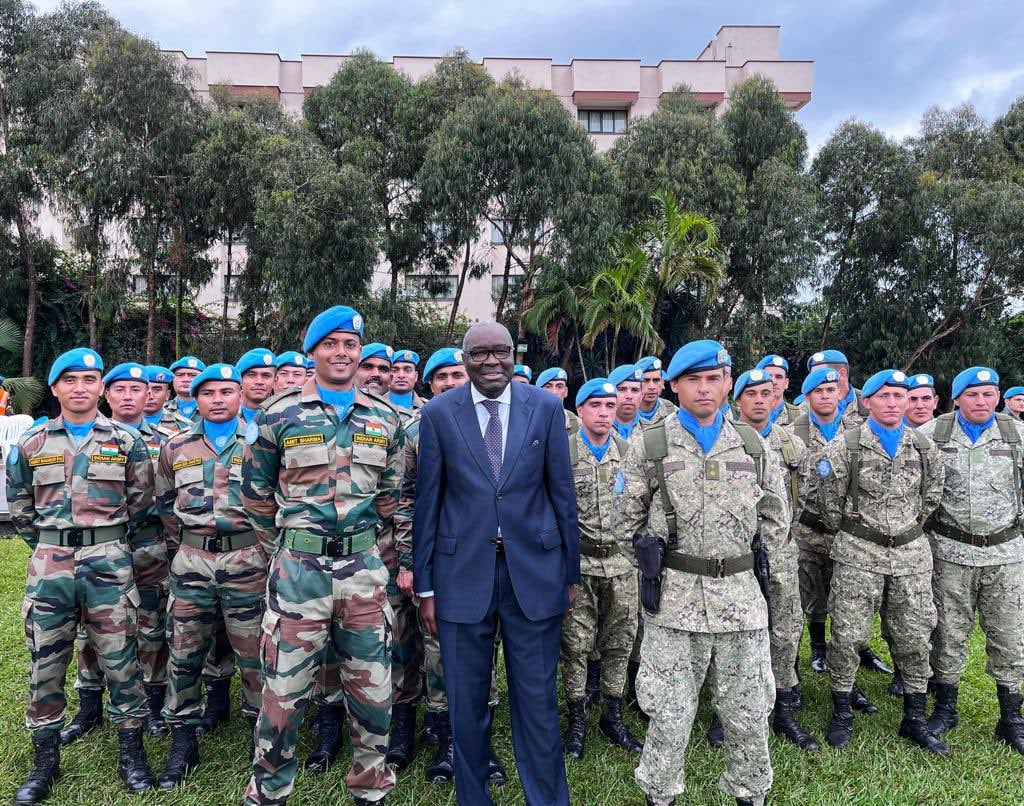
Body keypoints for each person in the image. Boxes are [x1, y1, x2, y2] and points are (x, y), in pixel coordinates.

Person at [413, 321, 580, 806]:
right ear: (463, 361)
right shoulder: (440, 414)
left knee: (537, 703)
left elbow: (562, 495)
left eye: (501, 352)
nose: (491, 362)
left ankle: (547, 799)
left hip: (535, 575)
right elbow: (429, 502)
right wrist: (425, 585)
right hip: (460, 577)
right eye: (479, 353)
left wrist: (569, 574)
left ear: (514, 354)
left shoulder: (547, 408)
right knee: (466, 708)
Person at [615, 340, 788, 806]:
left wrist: (746, 565)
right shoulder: (649, 445)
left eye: (714, 378)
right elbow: (623, 524)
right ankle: (660, 794)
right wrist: (655, 566)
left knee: (749, 712)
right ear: (674, 386)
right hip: (673, 603)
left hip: (741, 602)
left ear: (728, 382)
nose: (704, 389)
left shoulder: (753, 445)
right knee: (669, 714)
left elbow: (775, 519)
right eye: (693, 379)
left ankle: (751, 793)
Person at [242, 306, 402, 806]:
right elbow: (255, 492)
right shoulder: (278, 413)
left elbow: (393, 497)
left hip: (363, 575)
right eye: (330, 344)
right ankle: (269, 790)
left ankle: (371, 788)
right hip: (298, 575)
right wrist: (287, 549)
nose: (342, 353)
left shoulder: (384, 417)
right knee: (284, 696)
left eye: (350, 344)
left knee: (373, 692)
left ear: (360, 352)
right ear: (312, 351)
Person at [7, 348, 157, 802]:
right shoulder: (31, 445)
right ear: (54, 388)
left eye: (89, 380)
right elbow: (20, 510)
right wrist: (53, 548)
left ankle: (132, 755)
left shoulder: (127, 442)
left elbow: (142, 505)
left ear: (100, 389)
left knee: (121, 660)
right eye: (70, 380)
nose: (80, 387)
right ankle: (44, 763)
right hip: (50, 566)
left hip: (110, 563)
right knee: (46, 663)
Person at [817, 370, 947, 754]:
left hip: (910, 556)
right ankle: (842, 712)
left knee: (914, 635)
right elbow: (828, 505)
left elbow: (930, 497)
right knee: (848, 634)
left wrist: (903, 531)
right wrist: (864, 533)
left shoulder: (924, 447)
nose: (894, 402)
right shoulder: (846, 448)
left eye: (900, 396)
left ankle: (915, 717)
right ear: (868, 401)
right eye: (885, 395)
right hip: (859, 554)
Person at [395, 347, 507, 786]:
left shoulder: (498, 424)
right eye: (440, 377)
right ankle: (446, 741)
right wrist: (412, 564)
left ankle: (482, 745)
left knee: (485, 650)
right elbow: (407, 501)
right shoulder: (417, 430)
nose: (450, 382)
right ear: (430, 385)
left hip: (492, 559)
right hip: (443, 558)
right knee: (441, 651)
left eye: (456, 374)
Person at [155, 363, 269, 788]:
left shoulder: (260, 442)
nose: (217, 399)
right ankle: (183, 740)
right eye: (208, 393)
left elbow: (275, 500)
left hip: (248, 561)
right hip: (192, 562)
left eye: (226, 391)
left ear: (240, 395)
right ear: (195, 399)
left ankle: (263, 741)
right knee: (183, 652)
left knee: (255, 652)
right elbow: (166, 504)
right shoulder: (177, 445)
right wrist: (188, 546)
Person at [61, 363, 171, 745]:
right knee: (89, 630)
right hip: (99, 552)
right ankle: (89, 707)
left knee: (151, 626)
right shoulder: (85, 438)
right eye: (119, 389)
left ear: (153, 395)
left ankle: (154, 707)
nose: (128, 396)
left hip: (150, 547)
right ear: (107, 395)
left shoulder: (170, 439)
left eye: (137, 389)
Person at [918, 367, 1024, 753]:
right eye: (973, 395)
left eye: (989, 394)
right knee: (948, 632)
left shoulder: (1016, 435)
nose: (982, 402)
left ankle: (1011, 717)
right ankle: (946, 709)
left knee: (1010, 636)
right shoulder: (933, 436)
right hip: (950, 554)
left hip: (1006, 555)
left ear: (998, 397)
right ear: (957, 398)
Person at [733, 369, 818, 750]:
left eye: (766, 393)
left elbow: (806, 492)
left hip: (781, 551)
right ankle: (732, 712)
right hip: (735, 555)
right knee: (736, 634)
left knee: (784, 630)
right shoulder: (725, 442)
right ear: (738, 401)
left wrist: (786, 536)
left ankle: (783, 708)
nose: (759, 400)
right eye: (750, 393)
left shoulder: (790, 445)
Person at [789, 369, 882, 710]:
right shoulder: (792, 434)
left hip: (848, 535)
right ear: (808, 396)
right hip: (805, 533)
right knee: (796, 610)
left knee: (848, 612)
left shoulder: (857, 435)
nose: (827, 396)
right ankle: (791, 681)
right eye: (819, 391)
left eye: (832, 390)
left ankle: (849, 683)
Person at [560, 379, 642, 759]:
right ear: (581, 411)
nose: (605, 413)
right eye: (596, 406)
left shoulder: (628, 453)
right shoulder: (563, 452)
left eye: (610, 406)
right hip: (579, 562)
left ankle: (612, 713)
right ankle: (577, 719)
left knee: (618, 642)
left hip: (622, 565)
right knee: (575, 645)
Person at [354, 341, 424, 772]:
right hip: (357, 556)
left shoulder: (412, 422)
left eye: (386, 368)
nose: (379, 374)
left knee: (404, 642)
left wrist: (407, 558)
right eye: (371, 367)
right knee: (364, 647)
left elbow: (406, 497)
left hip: (399, 551)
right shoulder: (339, 419)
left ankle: (403, 729)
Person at [805, 350, 867, 424]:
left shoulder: (869, 403)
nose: (815, 381)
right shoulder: (804, 409)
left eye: (822, 375)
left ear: (842, 374)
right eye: (814, 376)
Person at [755, 355, 801, 427]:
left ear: (786, 383)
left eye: (779, 377)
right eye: (769, 376)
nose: (774, 382)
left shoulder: (800, 418)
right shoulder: (743, 415)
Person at [144, 365, 190, 432]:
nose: (150, 396)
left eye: (157, 390)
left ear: (167, 395)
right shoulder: (124, 422)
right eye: (145, 389)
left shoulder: (184, 425)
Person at [236, 348, 277, 422]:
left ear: (275, 381)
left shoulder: (285, 417)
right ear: (240, 380)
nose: (259, 381)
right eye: (252, 375)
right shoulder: (226, 417)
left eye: (266, 375)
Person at [536, 366, 580, 432]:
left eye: (559, 386)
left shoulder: (577, 423)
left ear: (566, 392)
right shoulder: (528, 420)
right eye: (548, 386)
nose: (554, 392)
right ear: (538, 392)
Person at [636, 356, 677, 423]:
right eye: (646, 380)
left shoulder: (673, 413)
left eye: (656, 380)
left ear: (662, 383)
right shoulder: (620, 413)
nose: (652, 387)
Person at [165, 356, 206, 422]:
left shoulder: (212, 409)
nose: (186, 380)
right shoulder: (162, 410)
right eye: (180, 375)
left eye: (193, 375)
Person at [610, 364, 643, 440]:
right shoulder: (597, 430)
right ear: (610, 395)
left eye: (635, 390)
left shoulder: (652, 432)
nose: (629, 396)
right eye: (622, 389)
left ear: (641, 396)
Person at [389, 349, 425, 414]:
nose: (401, 375)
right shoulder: (373, 404)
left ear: (416, 376)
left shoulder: (428, 408)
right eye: (394, 370)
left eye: (408, 370)